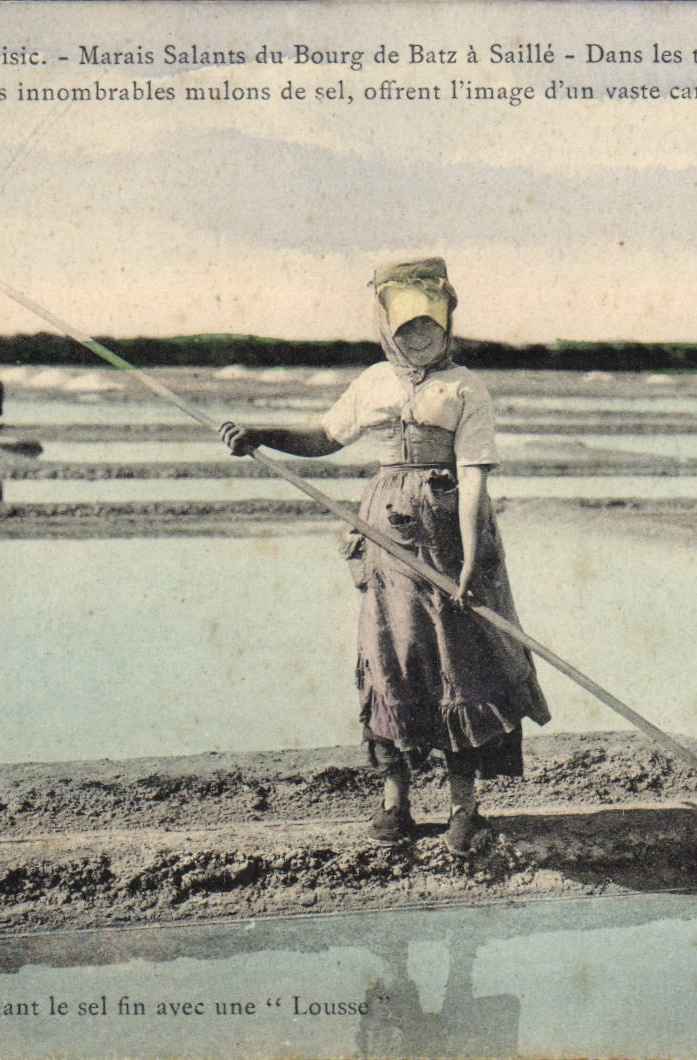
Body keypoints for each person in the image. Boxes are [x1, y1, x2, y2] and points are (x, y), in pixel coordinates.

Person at [220, 258, 549, 857]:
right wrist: (262, 435)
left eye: (429, 328)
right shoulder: (373, 381)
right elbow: (323, 437)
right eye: (405, 331)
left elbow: (474, 478)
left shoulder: (467, 389)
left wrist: (471, 561)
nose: (417, 340)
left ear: (448, 327)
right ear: (385, 331)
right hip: (387, 536)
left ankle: (463, 808)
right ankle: (394, 800)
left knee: (461, 661)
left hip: (451, 533)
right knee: (394, 657)